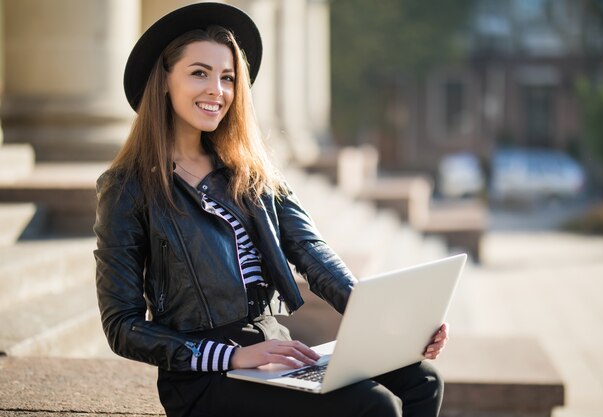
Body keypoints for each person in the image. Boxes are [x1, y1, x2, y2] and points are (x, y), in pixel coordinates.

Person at [93, 3, 449, 417]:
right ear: (164, 81)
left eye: (227, 77)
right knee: (373, 406)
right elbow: (122, 325)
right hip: (204, 377)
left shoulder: (250, 172)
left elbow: (313, 254)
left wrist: (393, 327)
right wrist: (231, 357)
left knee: (421, 379)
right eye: (199, 73)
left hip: (273, 353)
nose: (217, 90)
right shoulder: (126, 189)